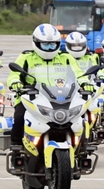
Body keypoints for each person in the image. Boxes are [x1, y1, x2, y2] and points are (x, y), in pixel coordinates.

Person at [7, 25, 85, 153]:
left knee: (80, 119)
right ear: (36, 43)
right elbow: (14, 75)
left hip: (63, 97)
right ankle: (16, 147)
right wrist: (15, 82)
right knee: (20, 116)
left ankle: (82, 150)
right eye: (45, 45)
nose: (50, 48)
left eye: (53, 44)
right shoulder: (26, 57)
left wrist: (86, 83)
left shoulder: (66, 57)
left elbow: (79, 73)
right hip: (31, 97)